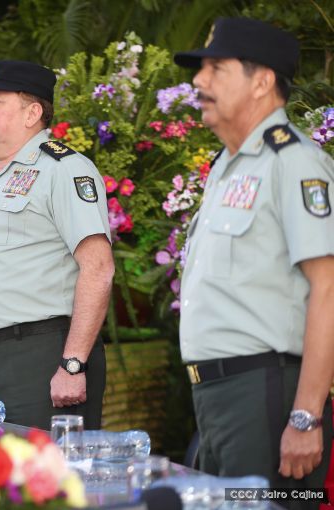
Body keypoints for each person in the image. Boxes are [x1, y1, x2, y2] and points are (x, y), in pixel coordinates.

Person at [175, 18, 334, 500]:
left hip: (264, 394)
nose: (199, 82)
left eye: (216, 69)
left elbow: (328, 289)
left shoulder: (295, 162)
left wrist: (306, 416)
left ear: (262, 81)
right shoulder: (227, 165)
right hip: (217, 396)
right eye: (200, 70)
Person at [0, 61, 114, 430]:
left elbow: (98, 268)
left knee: (47, 482)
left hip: (43, 358)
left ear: (33, 113)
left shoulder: (65, 169)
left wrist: (73, 364)